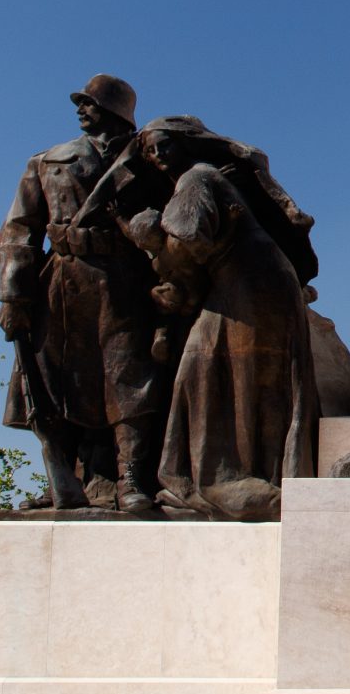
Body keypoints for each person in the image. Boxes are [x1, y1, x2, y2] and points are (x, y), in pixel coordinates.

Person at [121, 116, 322, 520]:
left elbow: (190, 237)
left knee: (203, 366)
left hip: (248, 285)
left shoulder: (196, 178)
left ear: (188, 145)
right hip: (263, 282)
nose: (159, 156)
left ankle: (220, 479)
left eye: (166, 146)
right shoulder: (208, 175)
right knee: (239, 373)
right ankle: (254, 474)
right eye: (151, 150)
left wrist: (153, 244)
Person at [0, 74, 167, 514]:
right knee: (59, 383)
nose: (80, 108)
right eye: (80, 102)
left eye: (89, 102)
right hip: (63, 284)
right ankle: (70, 482)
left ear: (114, 109)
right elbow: (20, 233)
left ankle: (132, 478)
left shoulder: (149, 161)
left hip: (126, 281)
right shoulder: (48, 161)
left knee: (131, 379)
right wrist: (14, 298)